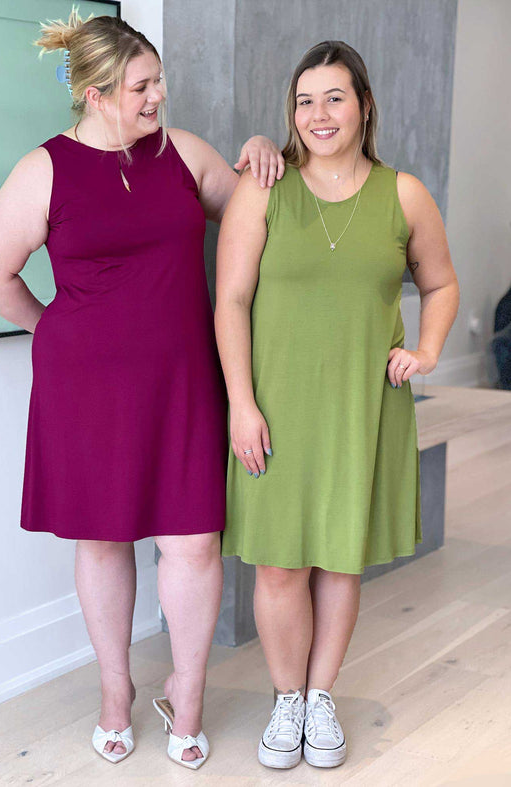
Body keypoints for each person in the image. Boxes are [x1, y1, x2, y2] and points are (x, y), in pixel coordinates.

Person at [0, 11, 284, 771]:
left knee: (193, 543)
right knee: (103, 537)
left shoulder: (182, 154)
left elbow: (252, 210)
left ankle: (190, 693)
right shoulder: (43, 169)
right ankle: (116, 693)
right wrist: (54, 329)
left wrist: (266, 151)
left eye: (158, 81)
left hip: (182, 380)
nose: (158, 97)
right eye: (143, 86)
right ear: (98, 93)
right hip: (86, 388)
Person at [215, 40, 459, 770]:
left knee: (339, 562)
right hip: (276, 406)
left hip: (363, 405)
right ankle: (287, 697)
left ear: (365, 105)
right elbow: (229, 299)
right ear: (291, 113)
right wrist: (240, 403)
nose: (318, 114)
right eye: (304, 100)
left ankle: (322, 697)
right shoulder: (264, 186)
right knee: (280, 566)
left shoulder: (404, 193)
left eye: (334, 98)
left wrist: (430, 350)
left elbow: (440, 283)